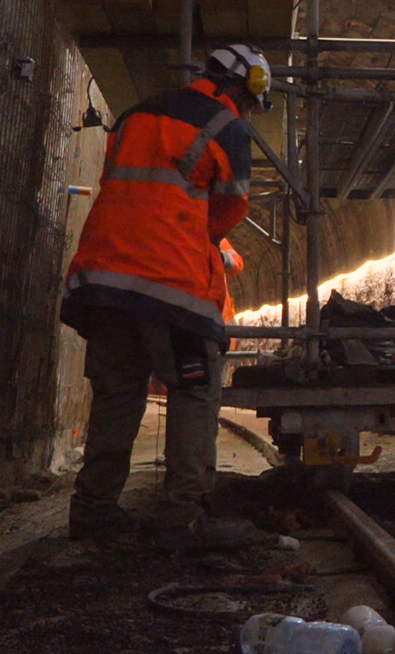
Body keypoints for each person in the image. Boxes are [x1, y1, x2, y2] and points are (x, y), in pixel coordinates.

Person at [60, 43, 272, 545]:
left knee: (116, 397)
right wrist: (195, 238)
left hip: (104, 281)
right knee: (194, 392)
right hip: (171, 288)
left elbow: (124, 187)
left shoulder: (134, 116)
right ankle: (183, 517)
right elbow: (229, 211)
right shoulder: (229, 127)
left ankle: (92, 512)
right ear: (248, 86)